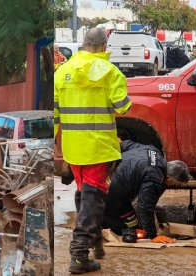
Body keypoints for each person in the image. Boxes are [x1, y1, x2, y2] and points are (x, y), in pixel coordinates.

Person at [54, 28, 132, 274]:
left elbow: (55, 115)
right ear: (103, 45)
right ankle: (78, 255)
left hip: (74, 148)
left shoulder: (62, 72)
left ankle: (96, 243)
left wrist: (57, 146)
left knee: (85, 194)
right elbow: (123, 107)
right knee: (93, 198)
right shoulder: (110, 72)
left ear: (84, 44)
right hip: (98, 146)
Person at [104, 141, 190, 243]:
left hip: (103, 172)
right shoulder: (155, 178)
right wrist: (153, 235)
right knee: (125, 227)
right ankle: (102, 225)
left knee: (132, 223)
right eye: (175, 184)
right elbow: (145, 207)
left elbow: (125, 144)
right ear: (170, 179)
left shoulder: (153, 151)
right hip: (109, 189)